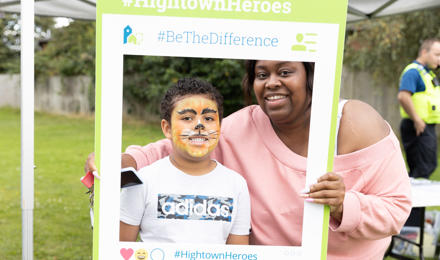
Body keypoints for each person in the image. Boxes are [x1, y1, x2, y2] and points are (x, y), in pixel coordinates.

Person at [86, 60, 411, 259]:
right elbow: (176, 146)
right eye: (261, 73)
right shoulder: (244, 126)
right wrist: (123, 160)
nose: (271, 82)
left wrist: (344, 204)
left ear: (312, 76)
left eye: (285, 71)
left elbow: (396, 209)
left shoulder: (353, 122)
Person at [119, 78, 251, 244]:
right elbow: (120, 248)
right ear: (167, 129)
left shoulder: (237, 184)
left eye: (209, 118)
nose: (199, 126)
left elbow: (237, 252)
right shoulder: (143, 180)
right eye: (187, 118)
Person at [397, 38, 440, 179]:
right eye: (437, 54)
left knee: (427, 166)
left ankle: (418, 200)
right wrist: (417, 120)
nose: (439, 59)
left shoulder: (428, 74)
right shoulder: (413, 72)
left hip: (425, 126)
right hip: (417, 126)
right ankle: (415, 200)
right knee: (421, 169)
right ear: (424, 52)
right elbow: (403, 96)